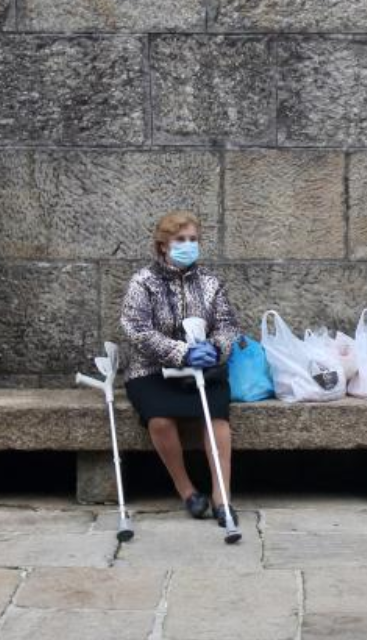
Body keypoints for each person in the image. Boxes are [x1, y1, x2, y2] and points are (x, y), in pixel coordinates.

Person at [120, 210, 242, 527]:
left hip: (205, 370)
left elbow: (229, 326)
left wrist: (215, 348)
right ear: (163, 245)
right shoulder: (142, 283)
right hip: (152, 370)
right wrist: (181, 352)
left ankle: (222, 497)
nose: (188, 245)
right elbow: (136, 330)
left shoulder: (211, 284)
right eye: (180, 240)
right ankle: (187, 490)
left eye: (193, 240)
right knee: (160, 420)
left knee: (217, 421)